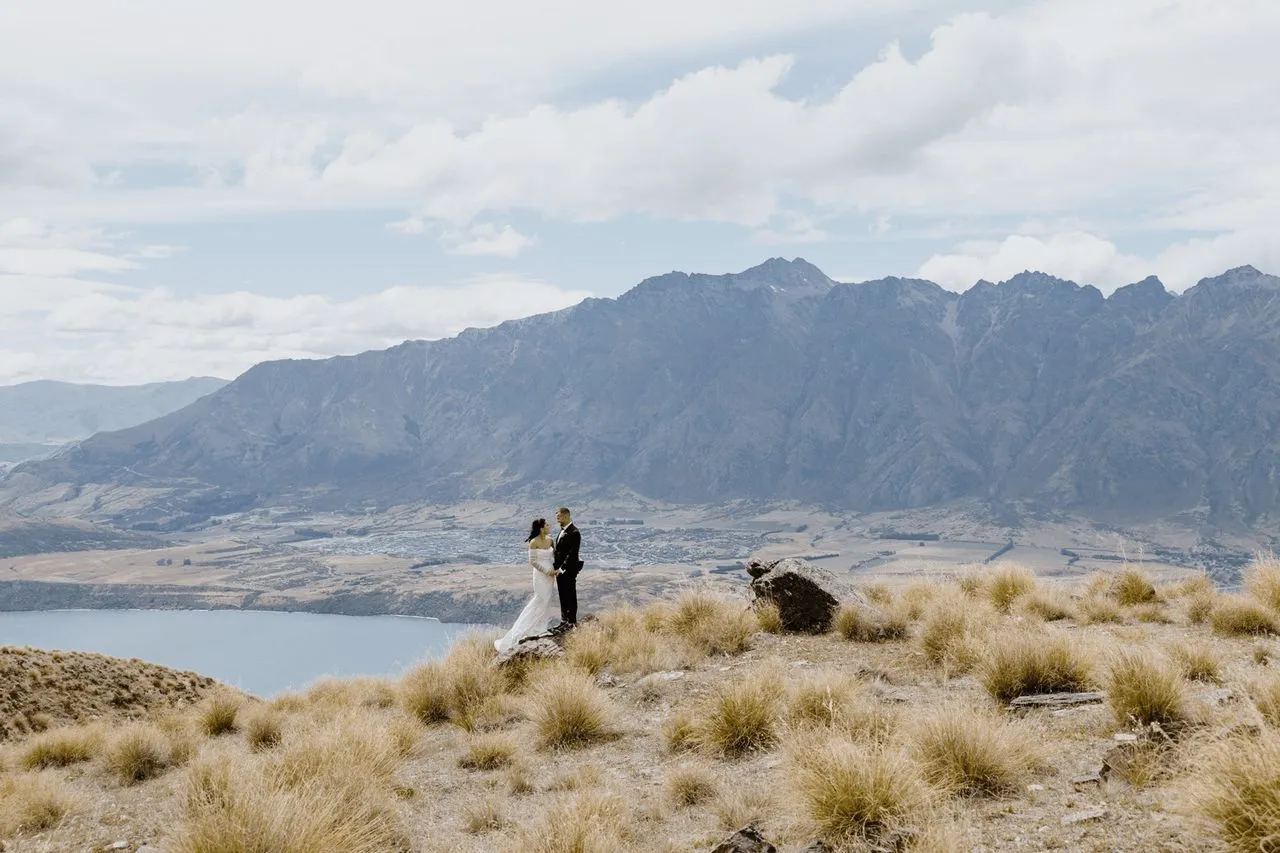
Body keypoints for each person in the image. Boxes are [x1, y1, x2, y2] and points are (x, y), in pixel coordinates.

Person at [494, 518, 561, 653]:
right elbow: (533, 562)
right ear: (541, 528)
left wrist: (555, 569)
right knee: (539, 599)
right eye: (547, 525)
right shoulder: (533, 542)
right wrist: (547, 571)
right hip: (541, 574)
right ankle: (522, 629)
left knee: (546, 600)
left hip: (550, 575)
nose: (549, 526)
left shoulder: (550, 540)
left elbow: (553, 556)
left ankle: (540, 627)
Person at [552, 506, 583, 630]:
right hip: (559, 571)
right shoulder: (561, 531)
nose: (557, 519)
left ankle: (571, 621)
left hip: (568, 570)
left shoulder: (574, 532)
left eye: (559, 516)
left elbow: (572, 554)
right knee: (562, 595)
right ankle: (564, 620)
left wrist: (561, 568)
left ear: (566, 515)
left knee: (570, 595)